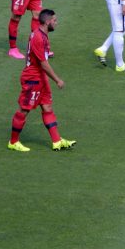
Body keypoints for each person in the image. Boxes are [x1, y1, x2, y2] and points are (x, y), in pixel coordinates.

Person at [8, 9, 76, 152]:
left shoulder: (41, 34)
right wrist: (57, 80)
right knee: (24, 109)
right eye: (54, 20)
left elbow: (30, 57)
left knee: (47, 107)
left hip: (39, 78)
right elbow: (44, 64)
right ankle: (13, 142)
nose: (56, 23)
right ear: (47, 22)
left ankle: (57, 141)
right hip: (33, 79)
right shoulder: (39, 38)